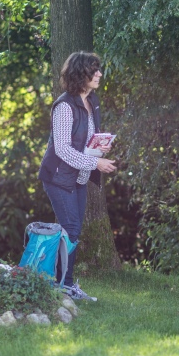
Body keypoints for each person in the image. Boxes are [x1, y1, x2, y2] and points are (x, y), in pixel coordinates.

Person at [38, 51, 117, 301]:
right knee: (70, 229)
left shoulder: (91, 101)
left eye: (99, 69)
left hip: (79, 178)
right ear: (80, 74)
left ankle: (54, 282)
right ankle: (65, 286)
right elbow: (62, 149)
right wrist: (96, 162)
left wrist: (100, 147)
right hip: (58, 177)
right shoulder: (64, 106)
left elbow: (84, 140)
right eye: (94, 70)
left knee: (71, 229)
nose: (99, 74)